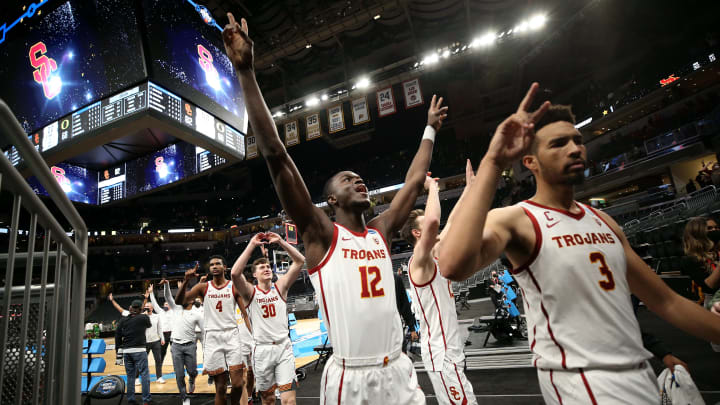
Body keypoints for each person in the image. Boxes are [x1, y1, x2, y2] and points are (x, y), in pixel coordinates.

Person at [437, 83, 720, 403]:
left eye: (578, 140)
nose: (575, 149)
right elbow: (451, 264)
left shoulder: (605, 221)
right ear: (530, 161)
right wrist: (493, 161)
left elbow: (666, 301)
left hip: (639, 371)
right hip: (582, 380)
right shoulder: (516, 219)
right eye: (558, 143)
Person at [222, 12, 444, 403]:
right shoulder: (321, 233)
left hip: (399, 371)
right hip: (350, 378)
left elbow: (413, 182)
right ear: (332, 200)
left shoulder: (380, 229)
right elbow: (275, 154)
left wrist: (428, 129)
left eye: (360, 177)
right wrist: (246, 72)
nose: (359, 180)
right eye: (347, 179)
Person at [400, 173, 476, 405]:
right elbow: (434, 221)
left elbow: (451, 222)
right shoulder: (420, 261)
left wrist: (469, 191)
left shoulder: (434, 253)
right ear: (417, 233)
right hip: (440, 353)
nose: (435, 226)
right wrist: (433, 187)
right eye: (428, 226)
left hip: (450, 349)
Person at [231, 231, 305, 405]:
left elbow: (300, 261)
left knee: (288, 400)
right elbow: (235, 273)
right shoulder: (250, 292)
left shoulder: (281, 287)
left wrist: (280, 241)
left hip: (283, 349)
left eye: (267, 266)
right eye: (261, 267)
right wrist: (251, 244)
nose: (266, 268)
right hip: (262, 351)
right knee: (268, 399)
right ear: (254, 275)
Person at [175, 257, 250, 405]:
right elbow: (179, 301)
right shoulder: (202, 287)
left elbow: (245, 314)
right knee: (220, 388)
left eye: (218, 264)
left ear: (225, 267)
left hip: (231, 334)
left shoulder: (234, 286)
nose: (214, 266)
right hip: (212, 337)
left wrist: (254, 337)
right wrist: (185, 281)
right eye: (212, 265)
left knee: (238, 384)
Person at [157, 279, 204, 405]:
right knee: (179, 375)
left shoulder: (197, 314)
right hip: (176, 345)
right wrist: (167, 285)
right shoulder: (175, 309)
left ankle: (192, 380)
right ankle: (184, 397)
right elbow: (168, 296)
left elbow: (204, 330)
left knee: (192, 371)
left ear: (191, 300)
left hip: (190, 345)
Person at [115, 299, 152, 405]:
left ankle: (131, 399)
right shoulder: (144, 317)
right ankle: (146, 400)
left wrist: (118, 351)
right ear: (140, 309)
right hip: (140, 350)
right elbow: (149, 325)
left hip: (126, 351)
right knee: (144, 374)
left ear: (131, 308)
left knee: (130, 376)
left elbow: (117, 335)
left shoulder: (123, 320)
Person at [393, 266, 418, 353]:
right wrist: (412, 328)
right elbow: (405, 306)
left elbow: (405, 305)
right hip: (395, 328)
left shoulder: (395, 279)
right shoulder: (395, 278)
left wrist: (412, 328)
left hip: (395, 329)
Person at [148, 289, 174, 368]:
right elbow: (154, 303)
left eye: (167, 304)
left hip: (173, 334)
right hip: (163, 334)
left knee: (175, 352)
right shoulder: (160, 311)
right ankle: (159, 367)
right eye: (165, 304)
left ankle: (177, 366)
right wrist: (151, 293)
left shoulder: (173, 311)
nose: (166, 305)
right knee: (162, 352)